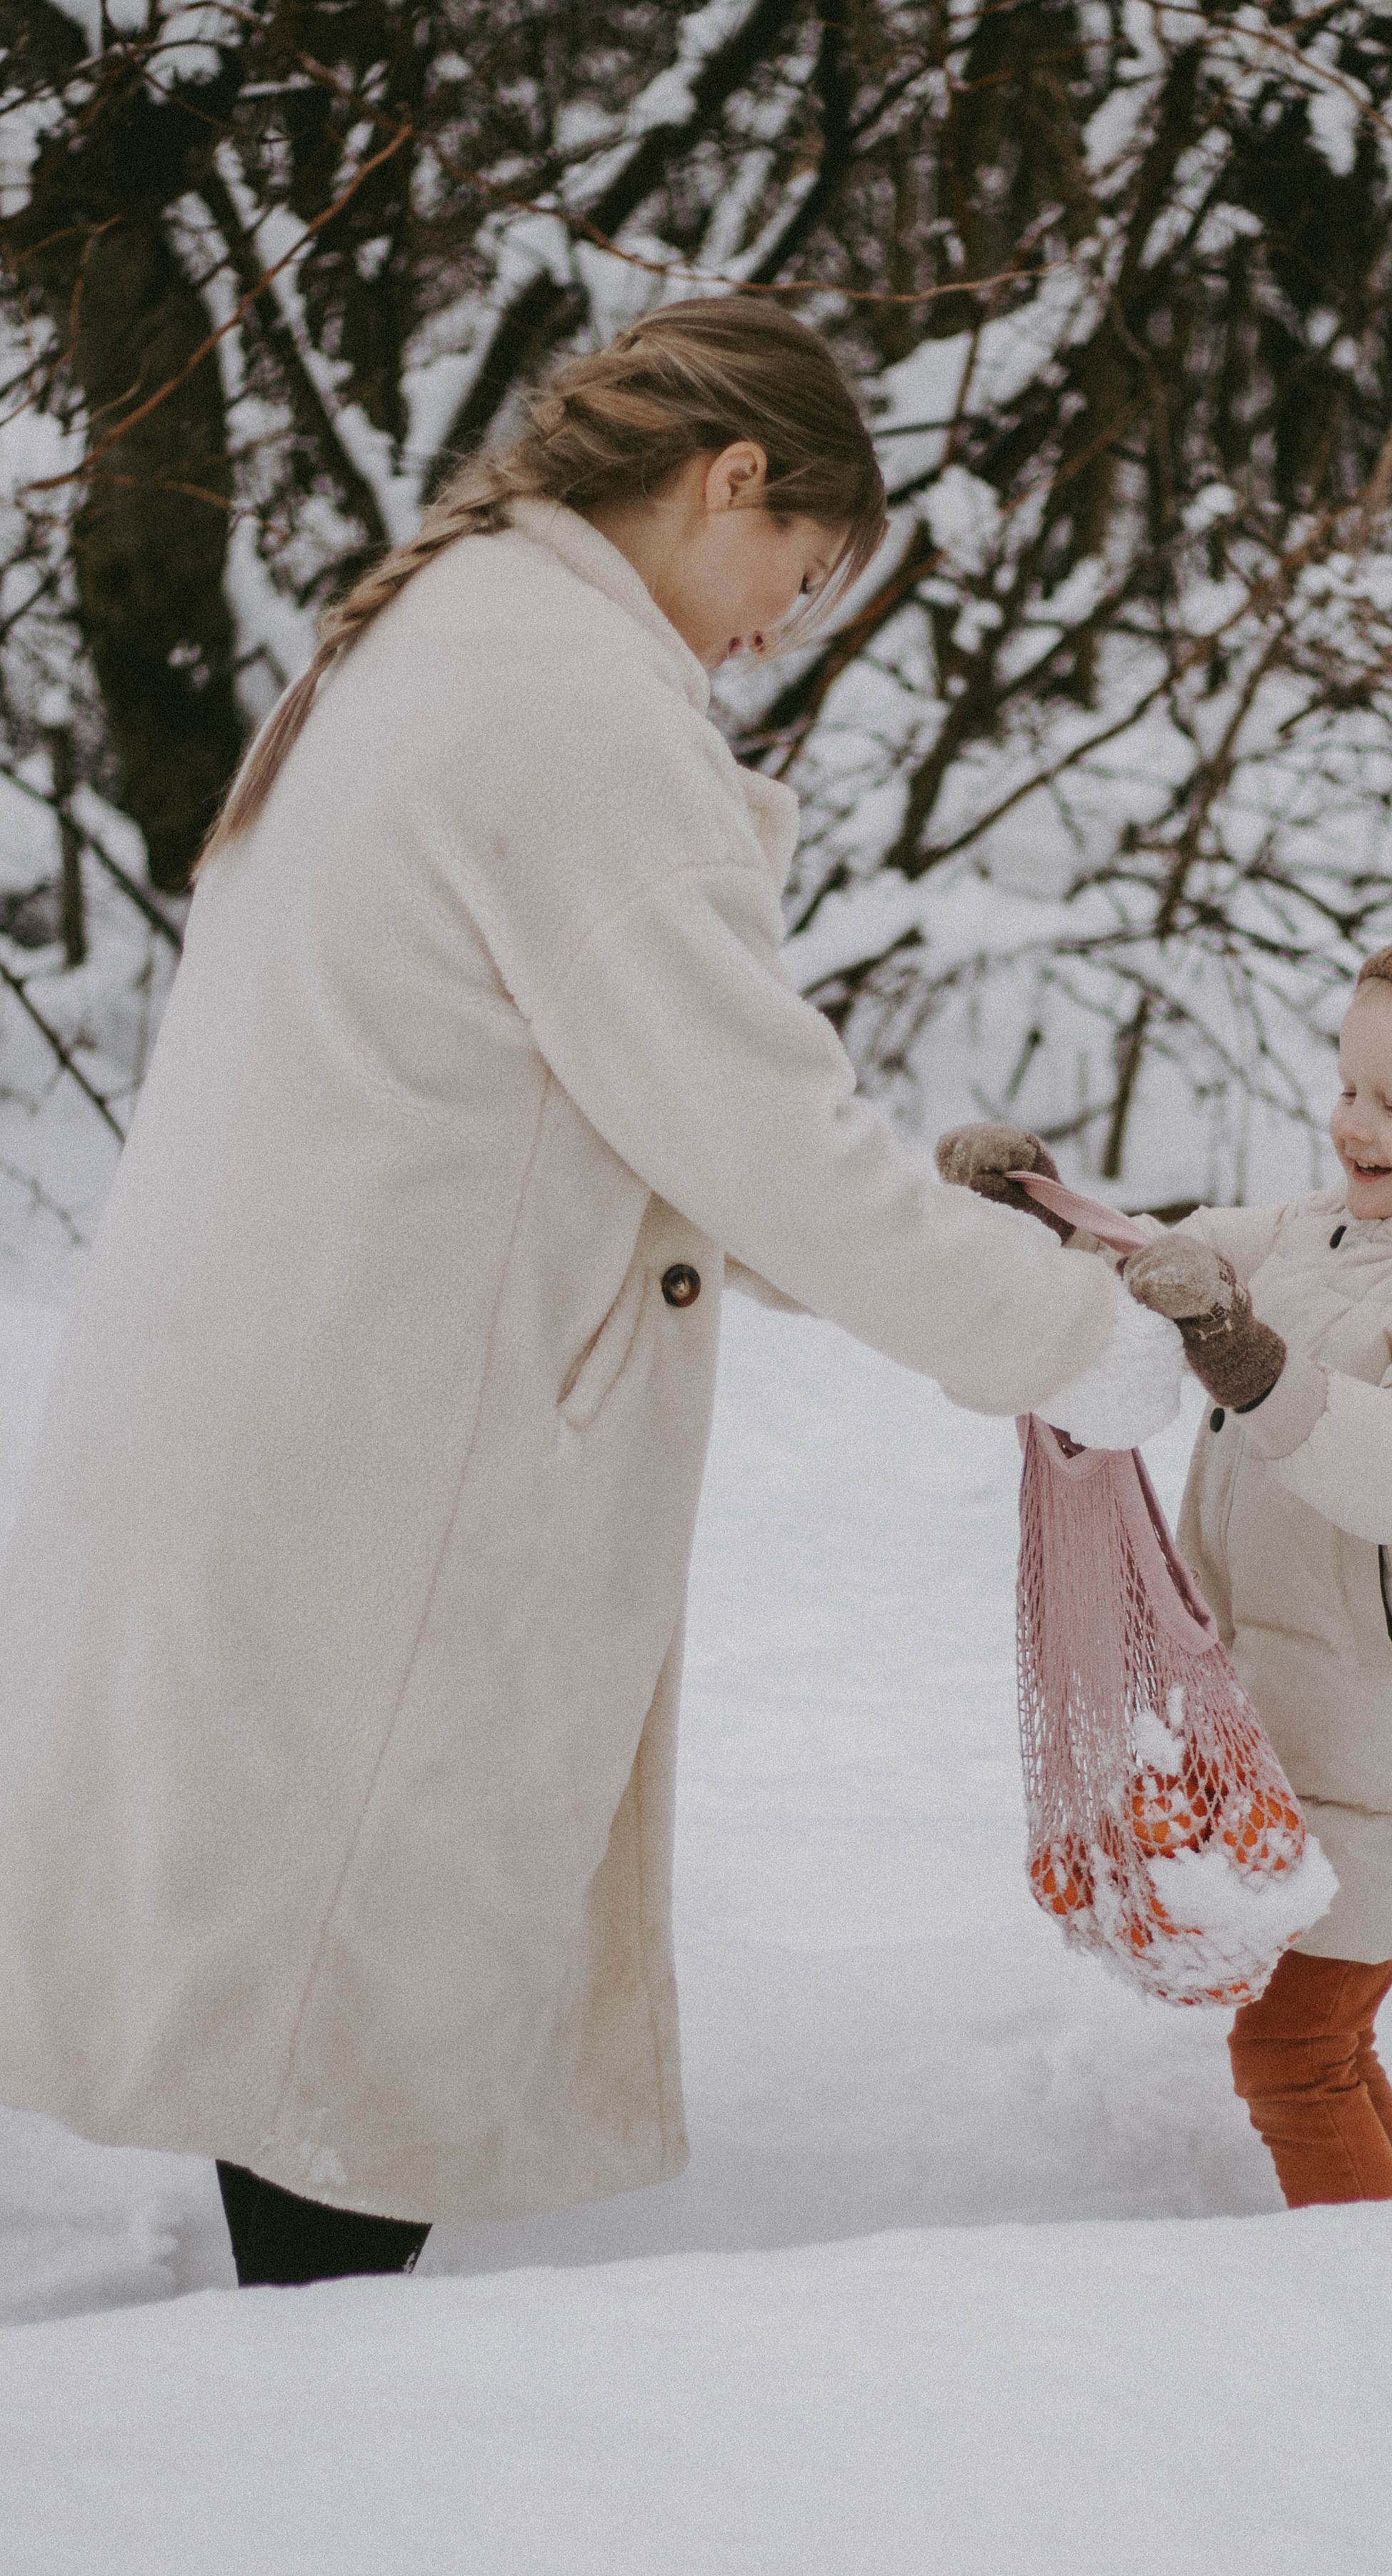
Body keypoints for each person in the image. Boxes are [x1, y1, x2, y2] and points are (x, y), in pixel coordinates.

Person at [0, 299, 1186, 2287]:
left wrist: (951, 1222)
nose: (773, 634)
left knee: (305, 1958)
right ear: (733, 482)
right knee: (366, 1995)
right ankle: (312, 2436)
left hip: (299, 1410)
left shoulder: (450, 635)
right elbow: (766, 1153)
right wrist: (1092, 1346)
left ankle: (299, 2370)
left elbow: (629, 1115)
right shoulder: (572, 709)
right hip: (398, 1459)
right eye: (795, 577)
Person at [940, 925, 1392, 2207]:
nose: (1350, 1123)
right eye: (1344, 1087)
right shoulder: (1331, 1231)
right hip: (1294, 1730)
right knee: (1321, 2043)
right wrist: (1043, 1212)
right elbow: (1166, 1257)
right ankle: (1390, 2265)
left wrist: (1251, 1362)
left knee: (1295, 2049)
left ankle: (1365, 2302)